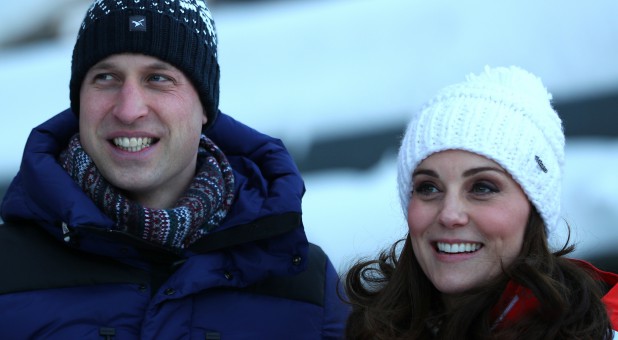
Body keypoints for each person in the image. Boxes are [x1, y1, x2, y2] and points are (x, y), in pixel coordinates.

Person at [0, 0, 349, 338]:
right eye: (106, 77)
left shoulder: (304, 284)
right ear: (79, 103)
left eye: (158, 78)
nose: (129, 109)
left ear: (205, 109)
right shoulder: (8, 268)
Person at [343, 66, 618, 339]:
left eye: (482, 188)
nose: (450, 214)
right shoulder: (371, 328)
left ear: (534, 209)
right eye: (428, 187)